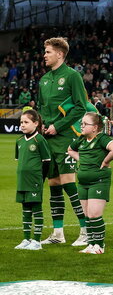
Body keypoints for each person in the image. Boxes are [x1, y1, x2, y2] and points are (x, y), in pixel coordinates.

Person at [38, 37, 89, 246]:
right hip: (48, 140)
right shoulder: (43, 79)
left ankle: (86, 231)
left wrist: (57, 126)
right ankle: (58, 233)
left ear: (59, 54)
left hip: (66, 139)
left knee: (69, 184)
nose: (44, 55)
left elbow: (80, 107)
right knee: (54, 185)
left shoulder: (72, 76)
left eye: (48, 52)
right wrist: (41, 124)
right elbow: (41, 107)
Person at [67, 112, 113, 254]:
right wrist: (82, 159)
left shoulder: (101, 138)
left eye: (85, 124)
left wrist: (105, 161)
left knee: (94, 214)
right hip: (83, 182)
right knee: (87, 216)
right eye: (81, 123)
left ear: (95, 127)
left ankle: (100, 245)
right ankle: (91, 244)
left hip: (99, 181)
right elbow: (70, 150)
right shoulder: (82, 139)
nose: (82, 126)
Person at [15, 109, 51, 250]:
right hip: (22, 180)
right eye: (21, 122)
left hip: (34, 180)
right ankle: (26, 239)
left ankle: (37, 241)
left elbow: (47, 161)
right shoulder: (19, 141)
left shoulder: (39, 140)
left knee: (36, 209)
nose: (23, 125)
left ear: (35, 123)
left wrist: (40, 179)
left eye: (26, 122)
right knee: (25, 209)